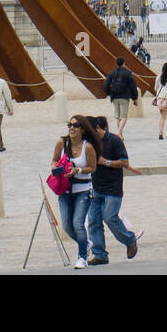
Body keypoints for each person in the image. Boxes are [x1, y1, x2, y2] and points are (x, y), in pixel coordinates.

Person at [86, 115, 144, 266]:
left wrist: (105, 162)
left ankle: (129, 239)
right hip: (95, 187)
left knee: (110, 217)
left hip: (113, 188)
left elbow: (124, 161)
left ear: (98, 128)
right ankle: (100, 255)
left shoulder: (114, 141)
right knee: (93, 222)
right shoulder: (89, 143)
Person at [50, 114, 98, 266]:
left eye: (75, 125)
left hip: (83, 189)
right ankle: (85, 243)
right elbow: (54, 159)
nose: (71, 128)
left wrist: (77, 170)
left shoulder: (87, 147)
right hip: (64, 189)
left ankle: (82, 257)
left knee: (78, 223)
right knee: (66, 226)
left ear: (82, 129)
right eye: (69, 125)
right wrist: (55, 168)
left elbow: (92, 167)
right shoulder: (62, 143)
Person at [103, 56, 140, 136]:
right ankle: (119, 132)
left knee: (118, 116)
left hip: (114, 96)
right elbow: (133, 86)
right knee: (123, 116)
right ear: (124, 63)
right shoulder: (127, 73)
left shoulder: (112, 72)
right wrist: (135, 98)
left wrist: (108, 93)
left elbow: (106, 83)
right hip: (124, 96)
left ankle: (121, 135)